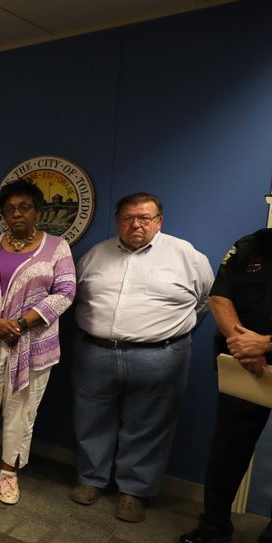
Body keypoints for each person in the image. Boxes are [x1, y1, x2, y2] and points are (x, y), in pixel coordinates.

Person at [178, 166, 272, 543]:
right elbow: (220, 296)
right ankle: (214, 525)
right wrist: (242, 342)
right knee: (227, 452)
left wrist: (268, 344)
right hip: (245, 367)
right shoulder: (251, 244)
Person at [70, 192, 212, 522]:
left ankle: (133, 491)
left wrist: (166, 331)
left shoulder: (186, 255)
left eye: (144, 218)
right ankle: (91, 479)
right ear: (117, 221)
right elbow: (75, 296)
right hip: (95, 352)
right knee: (90, 419)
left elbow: (205, 301)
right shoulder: (96, 254)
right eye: (128, 218)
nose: (136, 224)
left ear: (159, 221)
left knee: (149, 425)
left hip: (159, 356)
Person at [0, 179, 75, 504]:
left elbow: (65, 292)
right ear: (3, 214)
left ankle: (9, 473)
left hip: (32, 346)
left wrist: (21, 323)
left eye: (24, 207)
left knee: (21, 412)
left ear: (37, 211)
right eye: (10, 209)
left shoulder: (57, 247)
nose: (17, 214)